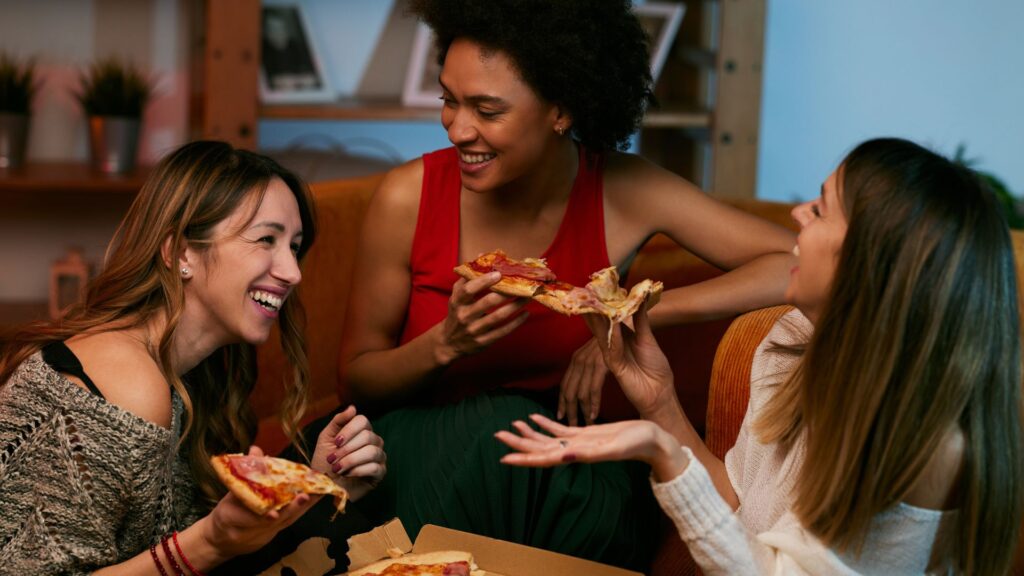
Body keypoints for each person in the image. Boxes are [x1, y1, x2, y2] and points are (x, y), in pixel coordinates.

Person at [337, 0, 794, 569]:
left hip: (563, 478)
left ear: (561, 109)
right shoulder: (407, 197)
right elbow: (358, 380)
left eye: (487, 109)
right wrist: (444, 345)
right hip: (420, 462)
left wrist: (627, 316)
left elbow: (794, 263)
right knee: (498, 429)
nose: (458, 128)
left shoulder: (624, 189)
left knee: (563, 470)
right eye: (448, 101)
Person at [497, 137, 1024, 574]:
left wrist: (664, 453)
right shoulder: (791, 343)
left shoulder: (926, 442)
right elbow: (742, 508)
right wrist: (659, 405)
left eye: (819, 210)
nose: (797, 213)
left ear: (869, 261)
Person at [0, 141, 386, 574]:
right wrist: (210, 542)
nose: (293, 272)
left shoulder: (197, 371)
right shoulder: (123, 384)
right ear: (181, 252)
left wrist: (316, 487)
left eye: (294, 246)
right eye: (266, 239)